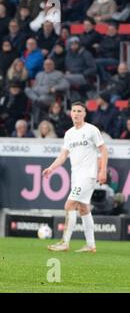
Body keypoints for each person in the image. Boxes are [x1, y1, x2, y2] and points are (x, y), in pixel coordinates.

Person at [44, 102, 108, 253]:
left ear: (84, 114)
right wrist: (51, 168)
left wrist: (103, 170)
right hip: (76, 176)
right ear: (71, 113)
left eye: (80, 111)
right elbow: (63, 155)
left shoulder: (92, 130)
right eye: (74, 111)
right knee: (83, 208)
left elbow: (104, 151)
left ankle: (64, 242)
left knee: (69, 205)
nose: (77, 113)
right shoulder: (69, 133)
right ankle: (91, 245)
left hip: (88, 175)